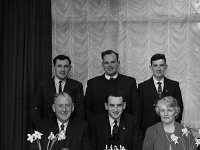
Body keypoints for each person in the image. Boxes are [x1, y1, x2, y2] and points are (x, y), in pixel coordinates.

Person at [31, 55, 84, 130]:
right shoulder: (43, 85)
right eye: (59, 66)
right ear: (54, 67)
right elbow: (36, 110)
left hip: (71, 130)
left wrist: (76, 130)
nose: (62, 69)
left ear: (69, 68)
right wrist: (41, 128)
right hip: (47, 130)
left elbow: (80, 111)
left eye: (65, 66)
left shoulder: (77, 86)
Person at [85, 50, 139, 120]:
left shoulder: (130, 82)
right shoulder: (92, 83)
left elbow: (136, 109)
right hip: (98, 128)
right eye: (106, 63)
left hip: (125, 127)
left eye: (113, 62)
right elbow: (87, 110)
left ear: (118, 63)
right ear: (102, 64)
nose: (110, 65)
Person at [138, 53, 183, 136]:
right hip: (148, 132)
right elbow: (138, 112)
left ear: (166, 67)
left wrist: (173, 129)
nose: (158, 68)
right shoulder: (142, 87)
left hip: (170, 132)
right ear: (151, 67)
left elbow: (179, 110)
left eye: (161, 65)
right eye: (155, 65)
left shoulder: (174, 86)